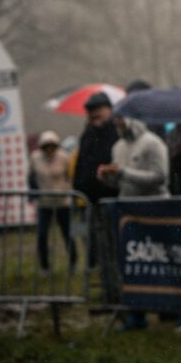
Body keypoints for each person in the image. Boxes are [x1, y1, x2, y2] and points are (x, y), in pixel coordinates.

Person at [97, 114, 170, 329]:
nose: (117, 124)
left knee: (160, 262)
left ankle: (171, 309)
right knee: (132, 265)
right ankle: (137, 314)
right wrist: (108, 177)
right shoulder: (118, 146)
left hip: (155, 211)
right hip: (128, 213)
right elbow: (121, 182)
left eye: (121, 119)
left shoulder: (152, 143)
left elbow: (160, 176)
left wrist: (123, 172)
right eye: (115, 120)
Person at [72, 91, 119, 270]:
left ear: (109, 109)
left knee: (113, 243)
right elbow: (81, 162)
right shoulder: (87, 134)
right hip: (90, 200)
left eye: (98, 109)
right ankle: (107, 281)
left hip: (111, 198)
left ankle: (117, 284)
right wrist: (78, 186)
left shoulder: (115, 132)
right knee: (98, 244)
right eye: (90, 110)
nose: (94, 114)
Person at [29, 130, 77, 275]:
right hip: (44, 203)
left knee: (67, 234)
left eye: (52, 145)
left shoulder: (63, 157)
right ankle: (44, 266)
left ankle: (73, 262)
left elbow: (70, 176)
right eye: (46, 146)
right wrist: (33, 192)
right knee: (42, 235)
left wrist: (68, 191)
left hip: (62, 202)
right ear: (42, 146)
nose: (50, 148)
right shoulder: (35, 158)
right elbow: (31, 176)